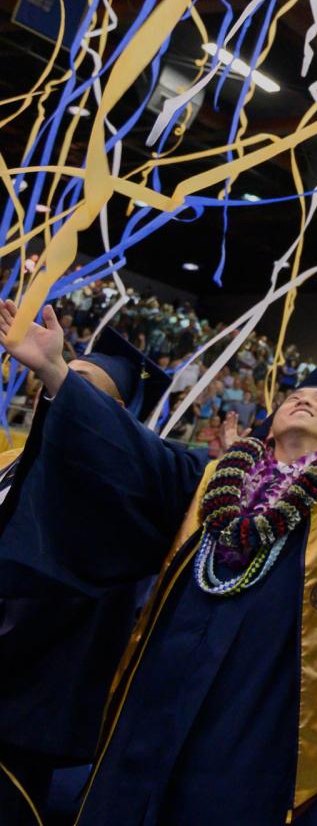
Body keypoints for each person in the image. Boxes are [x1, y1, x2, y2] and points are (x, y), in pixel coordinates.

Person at [0, 298, 317, 825]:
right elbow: (132, 452)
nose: (306, 399)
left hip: (256, 714)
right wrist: (56, 371)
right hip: (158, 694)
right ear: (269, 426)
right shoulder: (206, 480)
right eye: (297, 394)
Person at [0, 329, 175, 824]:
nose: (57, 391)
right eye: (57, 381)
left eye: (84, 387)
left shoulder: (118, 501)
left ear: (115, 419)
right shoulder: (10, 463)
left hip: (22, 701)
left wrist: (58, 373)